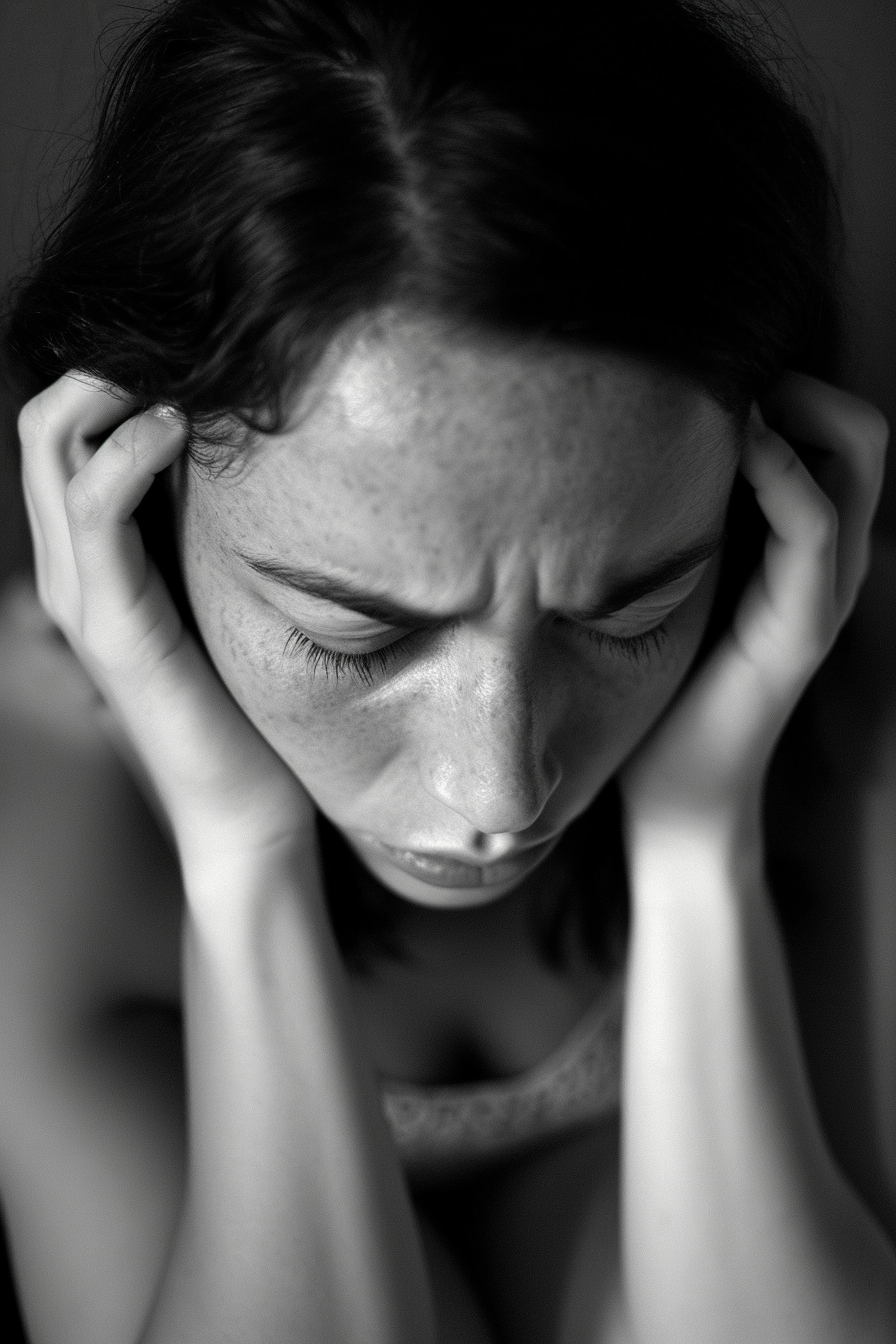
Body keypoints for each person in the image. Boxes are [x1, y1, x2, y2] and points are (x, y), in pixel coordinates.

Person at [1, 0, 895, 1340]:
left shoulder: (847, 712)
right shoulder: (29, 798)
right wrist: (242, 857)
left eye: (630, 609)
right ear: (138, 493)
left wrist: (701, 844)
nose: (503, 788)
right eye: (354, 634)